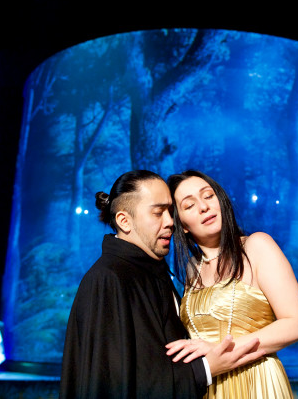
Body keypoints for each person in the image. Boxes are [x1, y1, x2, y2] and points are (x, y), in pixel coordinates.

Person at [60, 170, 265, 399]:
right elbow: (113, 383)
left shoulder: (150, 270)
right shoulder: (108, 279)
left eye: (170, 212)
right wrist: (205, 369)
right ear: (124, 221)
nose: (170, 222)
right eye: (158, 213)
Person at [166, 170, 298, 398]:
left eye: (208, 196)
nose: (203, 207)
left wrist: (221, 348)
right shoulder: (193, 268)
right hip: (211, 387)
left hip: (258, 383)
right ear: (182, 224)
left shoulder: (257, 246)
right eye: (189, 205)